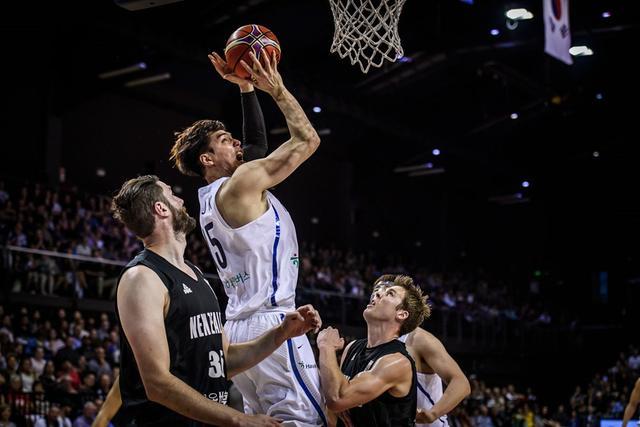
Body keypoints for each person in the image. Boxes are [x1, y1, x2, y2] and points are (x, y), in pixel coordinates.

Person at [170, 50, 325, 426]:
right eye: (225, 140)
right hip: (273, 322)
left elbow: (254, 145)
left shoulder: (215, 195)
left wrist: (245, 89)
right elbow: (307, 140)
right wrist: (277, 89)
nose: (237, 143)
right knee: (306, 421)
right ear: (207, 159)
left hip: (239, 328)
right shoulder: (240, 185)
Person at [109, 175, 322, 426]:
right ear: (161, 208)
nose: (180, 199)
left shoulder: (195, 274)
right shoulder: (142, 278)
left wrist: (282, 333)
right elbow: (157, 383)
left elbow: (225, 361)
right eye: (171, 194)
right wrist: (239, 419)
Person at [317, 275, 430, 426]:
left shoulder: (397, 362)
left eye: (389, 294)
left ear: (401, 314)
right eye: (379, 291)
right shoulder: (352, 347)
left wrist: (326, 346)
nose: (377, 294)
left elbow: (337, 397)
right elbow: (334, 406)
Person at [373, 276, 470, 426]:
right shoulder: (368, 347)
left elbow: (461, 383)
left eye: (387, 290)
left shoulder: (417, 338)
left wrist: (433, 413)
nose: (378, 293)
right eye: (375, 290)